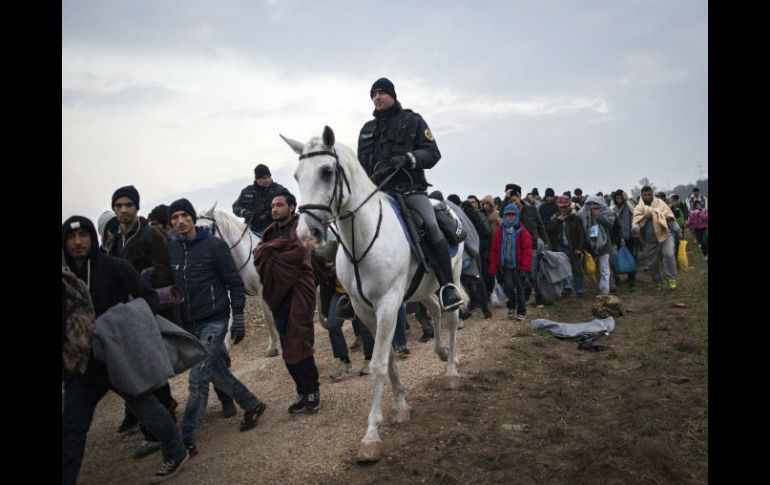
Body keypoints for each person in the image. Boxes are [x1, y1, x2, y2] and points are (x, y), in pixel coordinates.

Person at [62, 216, 189, 485]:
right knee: (72, 426)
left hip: (116, 356)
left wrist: (130, 327)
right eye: (71, 237)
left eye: (83, 235)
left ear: (92, 238)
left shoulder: (114, 267)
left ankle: (176, 452)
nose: (78, 242)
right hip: (82, 365)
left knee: (148, 408)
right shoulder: (65, 279)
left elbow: (149, 297)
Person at [167, 198, 267, 457]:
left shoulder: (214, 246)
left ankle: (185, 440)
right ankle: (252, 404)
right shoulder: (172, 249)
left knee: (198, 379)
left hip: (215, 318)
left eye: (184, 215)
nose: (180, 221)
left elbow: (234, 282)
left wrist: (240, 315)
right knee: (215, 373)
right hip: (189, 323)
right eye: (175, 217)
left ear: (192, 218)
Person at [356, 77, 462, 311]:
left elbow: (432, 153)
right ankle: (349, 292)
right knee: (352, 230)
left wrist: (408, 159)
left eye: (381, 92)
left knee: (432, 228)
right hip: (379, 195)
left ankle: (447, 286)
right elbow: (360, 166)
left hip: (410, 191)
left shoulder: (413, 121)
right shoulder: (367, 130)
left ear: (392, 95)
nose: (377, 97)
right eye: (373, 94)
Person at [104, 186, 179, 458]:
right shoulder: (113, 242)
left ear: (136, 208)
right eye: (118, 205)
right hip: (125, 315)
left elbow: (165, 272)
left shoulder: (151, 235)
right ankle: (159, 422)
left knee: (152, 371)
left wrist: (142, 283)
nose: (123, 210)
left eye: (128, 205)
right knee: (141, 372)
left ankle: (159, 432)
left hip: (149, 312)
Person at [253, 192, 322, 413]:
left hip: (299, 293)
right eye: (273, 206)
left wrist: (271, 255)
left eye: (280, 205)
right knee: (286, 344)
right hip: (278, 296)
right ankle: (301, 391)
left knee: (300, 342)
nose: (274, 209)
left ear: (291, 207)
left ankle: (312, 391)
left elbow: (298, 255)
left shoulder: (301, 229)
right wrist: (271, 254)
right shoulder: (269, 233)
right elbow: (259, 256)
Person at [632, 186, 683, 290]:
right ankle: (657, 281)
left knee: (669, 254)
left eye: (649, 194)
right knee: (652, 263)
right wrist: (635, 228)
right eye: (645, 195)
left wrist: (678, 231)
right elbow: (635, 222)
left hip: (665, 235)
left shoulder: (661, 204)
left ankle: (671, 278)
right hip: (649, 240)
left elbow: (670, 218)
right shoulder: (638, 208)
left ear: (652, 194)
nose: (647, 197)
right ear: (641, 196)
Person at [488, 204, 533, 320]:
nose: (510, 217)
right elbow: (495, 249)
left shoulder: (522, 231)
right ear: (504, 216)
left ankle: (521, 312)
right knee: (508, 287)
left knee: (520, 289)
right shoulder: (500, 230)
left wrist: (525, 267)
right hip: (506, 266)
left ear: (517, 215)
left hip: (519, 266)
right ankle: (511, 307)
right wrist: (493, 266)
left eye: (513, 214)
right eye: (508, 214)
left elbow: (527, 250)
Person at [546, 195, 586, 296]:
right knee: (563, 269)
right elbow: (549, 230)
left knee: (577, 269)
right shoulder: (555, 218)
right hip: (561, 248)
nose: (563, 209)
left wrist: (579, 248)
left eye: (565, 206)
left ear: (569, 206)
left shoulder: (575, 218)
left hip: (574, 248)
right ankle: (567, 288)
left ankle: (580, 290)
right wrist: (558, 220)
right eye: (561, 207)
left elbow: (582, 235)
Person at [232, 163, 288, 236]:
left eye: (269, 177)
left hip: (275, 230)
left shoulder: (280, 190)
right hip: (251, 231)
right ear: (257, 179)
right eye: (264, 178)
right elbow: (236, 207)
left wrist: (272, 214)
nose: (267, 180)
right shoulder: (247, 191)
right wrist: (245, 212)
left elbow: (291, 205)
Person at [578, 195, 616, 295]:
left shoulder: (607, 211)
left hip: (604, 243)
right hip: (590, 245)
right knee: (596, 267)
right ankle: (601, 287)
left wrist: (598, 216)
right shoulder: (582, 213)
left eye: (595, 203)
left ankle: (605, 291)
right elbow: (580, 228)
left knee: (604, 267)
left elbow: (610, 224)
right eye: (590, 204)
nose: (592, 206)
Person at [611, 190, 638, 289]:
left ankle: (631, 279)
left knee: (630, 257)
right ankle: (619, 277)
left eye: (621, 198)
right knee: (619, 257)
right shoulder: (613, 208)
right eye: (617, 198)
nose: (619, 200)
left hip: (629, 236)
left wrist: (627, 200)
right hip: (618, 237)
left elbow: (634, 211)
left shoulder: (628, 206)